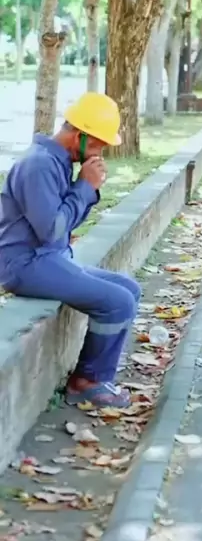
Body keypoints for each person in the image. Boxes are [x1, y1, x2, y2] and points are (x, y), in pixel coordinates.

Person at [0, 92, 141, 408]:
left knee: (129, 289)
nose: (100, 153)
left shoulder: (58, 162)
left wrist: (84, 190)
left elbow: (63, 224)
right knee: (117, 302)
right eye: (98, 145)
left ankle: (98, 373)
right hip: (25, 265)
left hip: (48, 257)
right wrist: (85, 187)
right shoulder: (39, 165)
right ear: (79, 136)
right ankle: (87, 381)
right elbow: (52, 229)